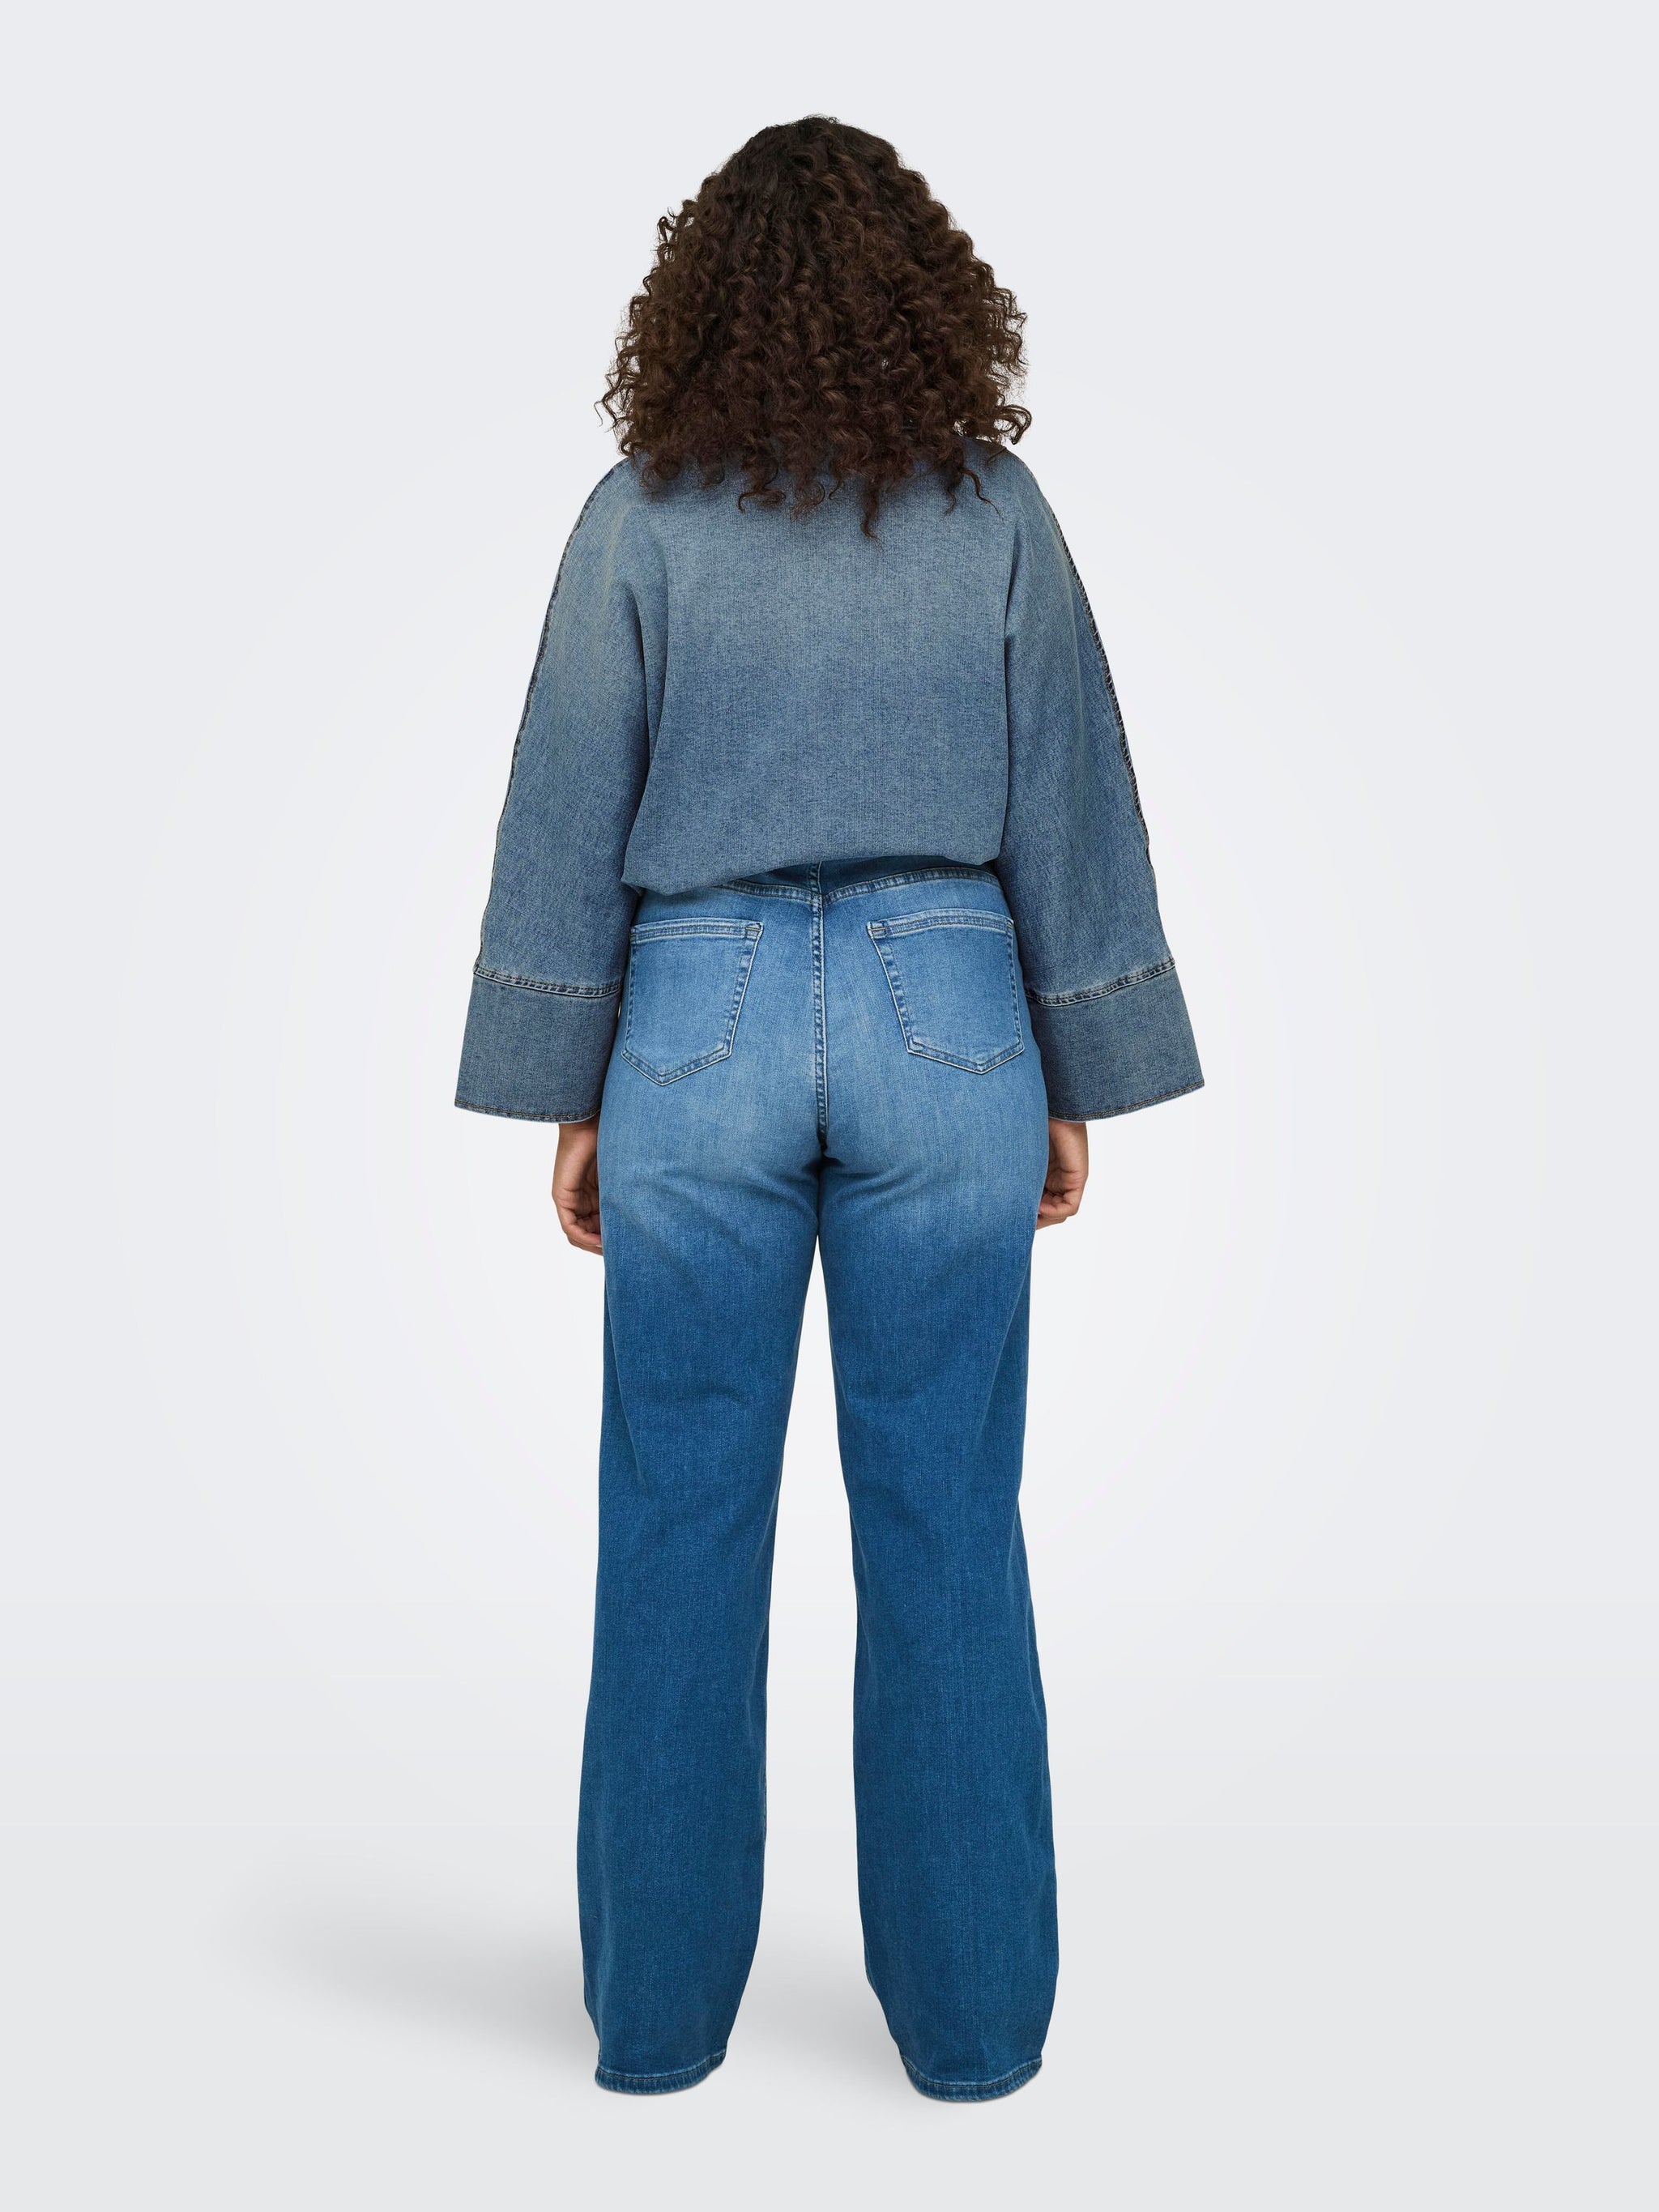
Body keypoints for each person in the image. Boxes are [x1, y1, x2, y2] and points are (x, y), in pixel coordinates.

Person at [456, 116, 1202, 2102]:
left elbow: (566, 797)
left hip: (687, 1023)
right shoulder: (993, 513)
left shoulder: (639, 517)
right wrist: (1073, 1067)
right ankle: (973, 2038)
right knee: (947, 1520)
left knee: (675, 1523)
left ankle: (655, 2029)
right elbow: (1070, 788)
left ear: (694, 304)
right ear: (927, 301)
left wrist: (567, 1087)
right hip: (950, 1016)